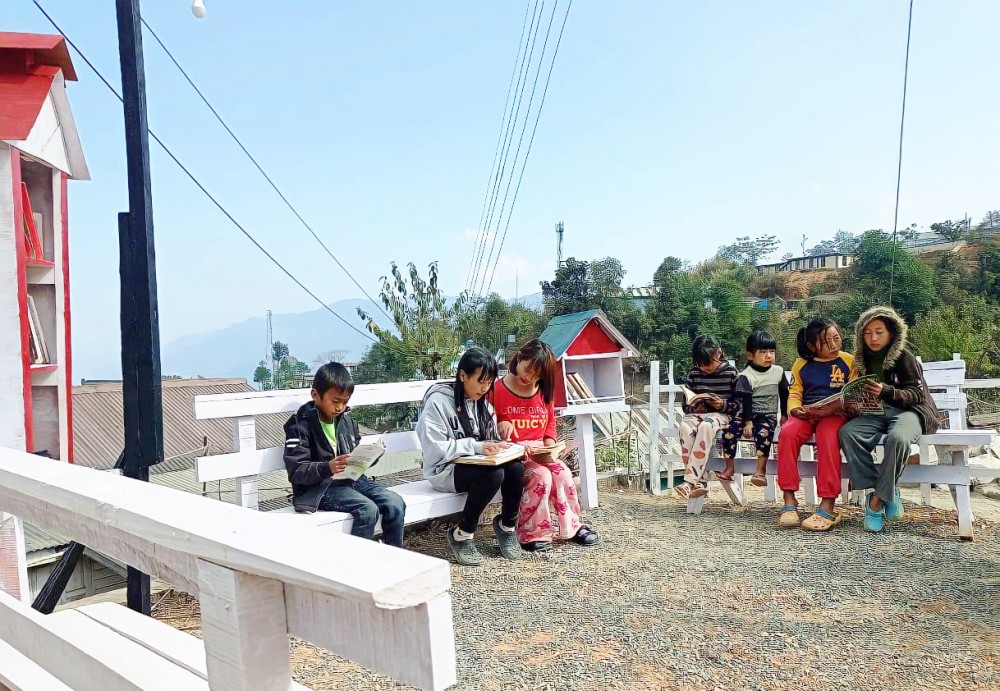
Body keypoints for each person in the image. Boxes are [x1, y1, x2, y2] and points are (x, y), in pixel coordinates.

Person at [416, 348, 523, 566]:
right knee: (493, 475)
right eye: (480, 381)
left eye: (489, 382)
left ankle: (507, 526)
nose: (484, 388)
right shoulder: (438, 403)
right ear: (463, 375)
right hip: (445, 469)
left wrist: (500, 444)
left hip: (475, 465)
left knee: (516, 468)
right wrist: (474, 446)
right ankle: (462, 535)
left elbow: (487, 441)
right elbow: (434, 450)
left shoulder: (484, 404)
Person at [838, 306, 940, 532]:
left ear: (891, 332)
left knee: (899, 439)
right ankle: (886, 489)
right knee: (848, 433)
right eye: (867, 333)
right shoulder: (860, 359)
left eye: (879, 332)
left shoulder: (904, 357)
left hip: (911, 411)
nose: (873, 338)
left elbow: (917, 394)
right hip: (875, 412)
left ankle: (875, 503)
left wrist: (887, 391)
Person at [282, 362, 406, 547]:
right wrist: (327, 467)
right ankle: (356, 565)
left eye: (345, 402)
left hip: (352, 480)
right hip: (321, 488)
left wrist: (372, 455)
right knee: (367, 510)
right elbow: (297, 471)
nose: (340, 407)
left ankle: (394, 557)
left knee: (395, 503)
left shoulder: (346, 421)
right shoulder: (300, 426)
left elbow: (355, 456)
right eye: (335, 401)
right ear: (316, 395)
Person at [492, 339, 599, 552]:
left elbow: (549, 424)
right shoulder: (497, 390)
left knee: (562, 473)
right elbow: (486, 424)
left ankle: (572, 525)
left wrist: (551, 448)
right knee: (541, 477)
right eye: (528, 369)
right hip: (513, 456)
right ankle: (532, 532)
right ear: (520, 357)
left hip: (539, 451)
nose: (529, 377)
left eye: (536, 375)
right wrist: (499, 425)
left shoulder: (543, 392)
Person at [777, 318, 852, 532]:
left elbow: (853, 393)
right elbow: (795, 393)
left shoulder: (848, 361)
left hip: (835, 414)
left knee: (828, 439)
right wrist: (794, 410)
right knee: (787, 434)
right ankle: (789, 499)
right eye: (825, 342)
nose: (833, 346)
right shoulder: (801, 364)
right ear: (811, 345)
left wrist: (837, 407)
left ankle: (828, 503)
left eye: (836, 338)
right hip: (807, 412)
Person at [673, 335, 740, 500]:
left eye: (708, 363)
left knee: (706, 426)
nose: (705, 368)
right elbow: (685, 405)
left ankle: (689, 482)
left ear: (719, 353)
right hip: (699, 414)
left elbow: (739, 405)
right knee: (685, 427)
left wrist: (723, 405)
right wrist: (694, 406)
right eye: (700, 364)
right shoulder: (694, 373)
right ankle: (699, 482)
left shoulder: (731, 373)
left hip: (722, 416)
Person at [719, 330, 789, 486]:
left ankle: (760, 471)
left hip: (768, 414)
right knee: (729, 431)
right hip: (747, 414)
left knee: (764, 433)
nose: (769, 355)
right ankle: (729, 468)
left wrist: (784, 414)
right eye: (763, 352)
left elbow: (785, 394)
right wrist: (748, 422)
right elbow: (746, 400)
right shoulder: (746, 375)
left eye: (771, 351)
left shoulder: (778, 372)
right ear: (750, 356)